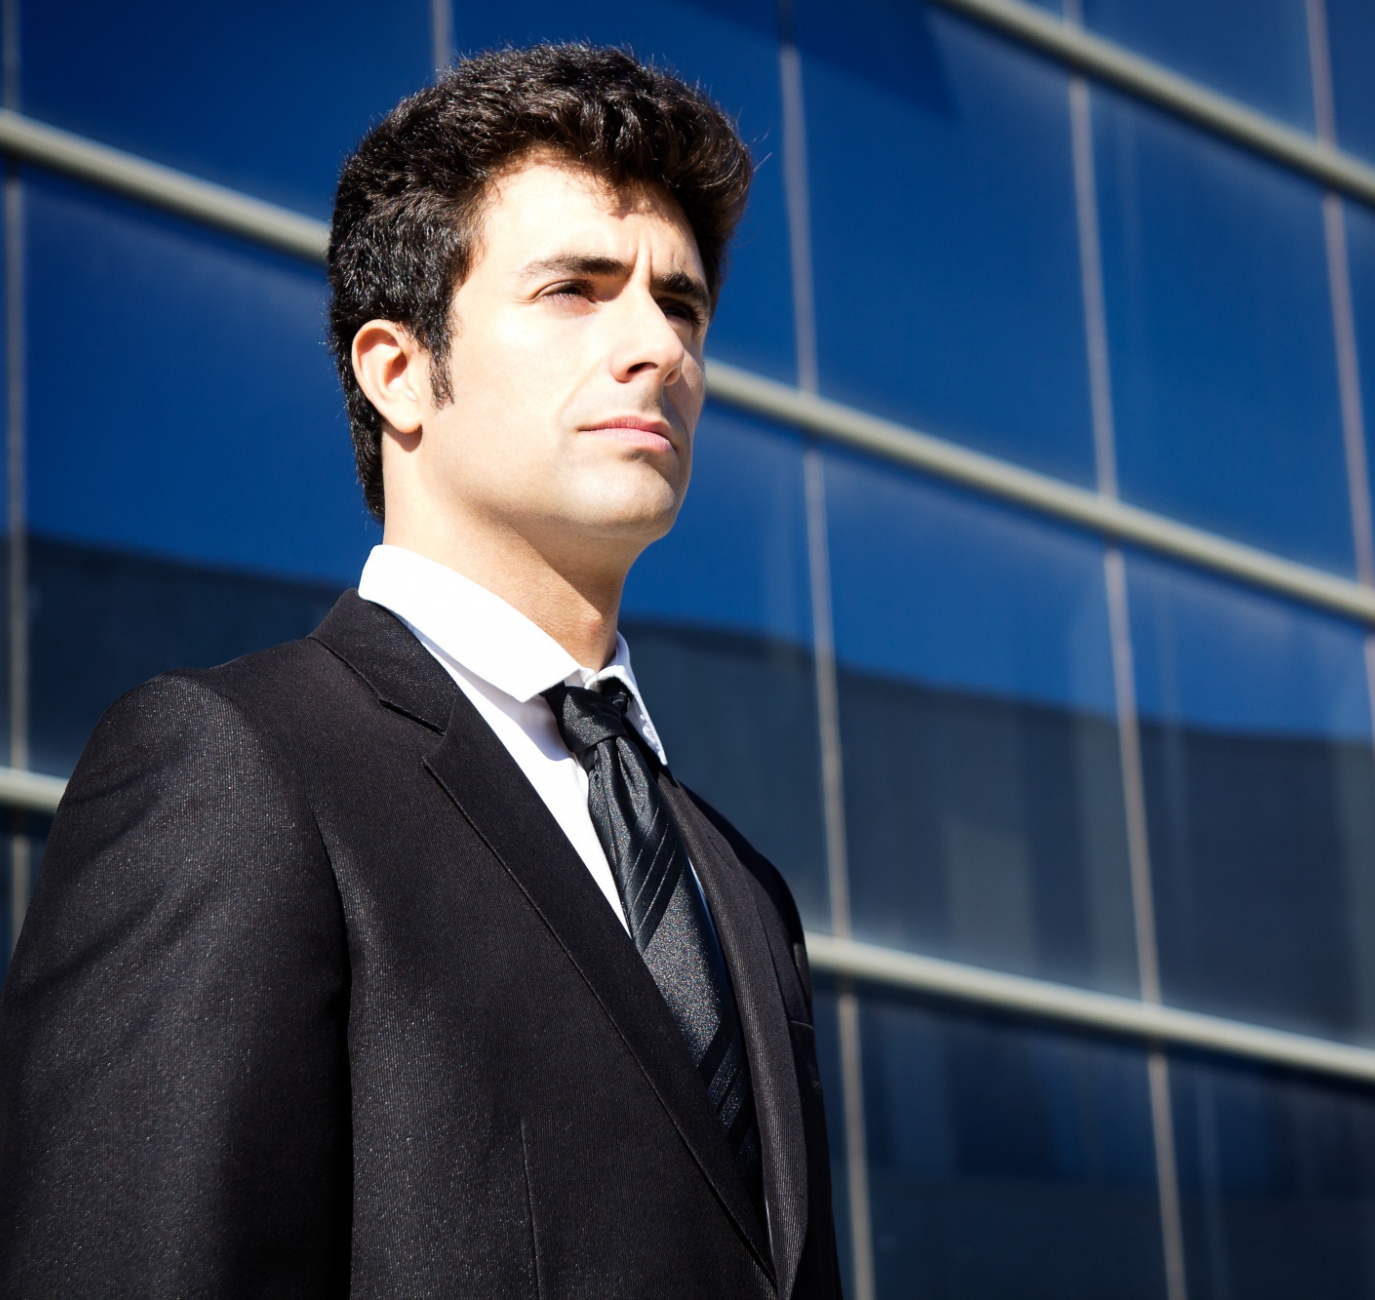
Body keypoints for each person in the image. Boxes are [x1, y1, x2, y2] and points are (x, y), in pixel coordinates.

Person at [0, 44, 842, 1299]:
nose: (657, 346)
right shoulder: (236, 770)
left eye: (681, 303)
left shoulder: (741, 888)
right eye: (577, 288)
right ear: (396, 370)